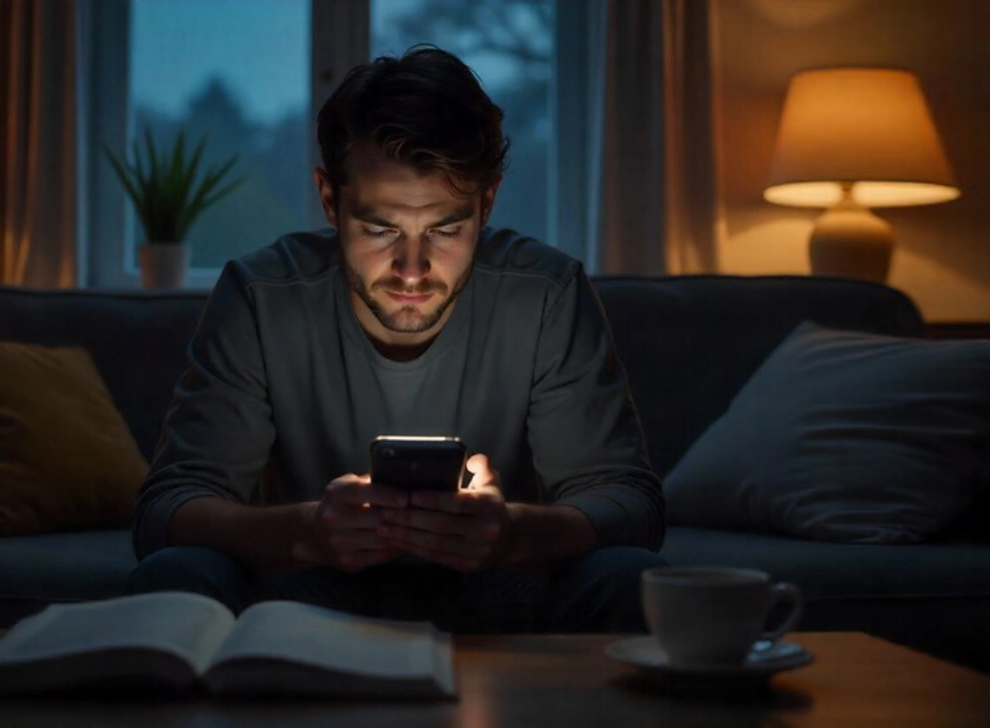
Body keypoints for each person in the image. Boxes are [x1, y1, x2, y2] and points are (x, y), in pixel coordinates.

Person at [129, 46, 667, 633]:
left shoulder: (546, 293)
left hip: (501, 588)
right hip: (304, 593)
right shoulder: (260, 296)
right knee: (175, 574)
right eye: (380, 229)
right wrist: (306, 533)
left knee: (628, 576)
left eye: (445, 229)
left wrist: (512, 533)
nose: (412, 269)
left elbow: (631, 502)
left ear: (486, 204)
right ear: (330, 200)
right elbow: (165, 509)